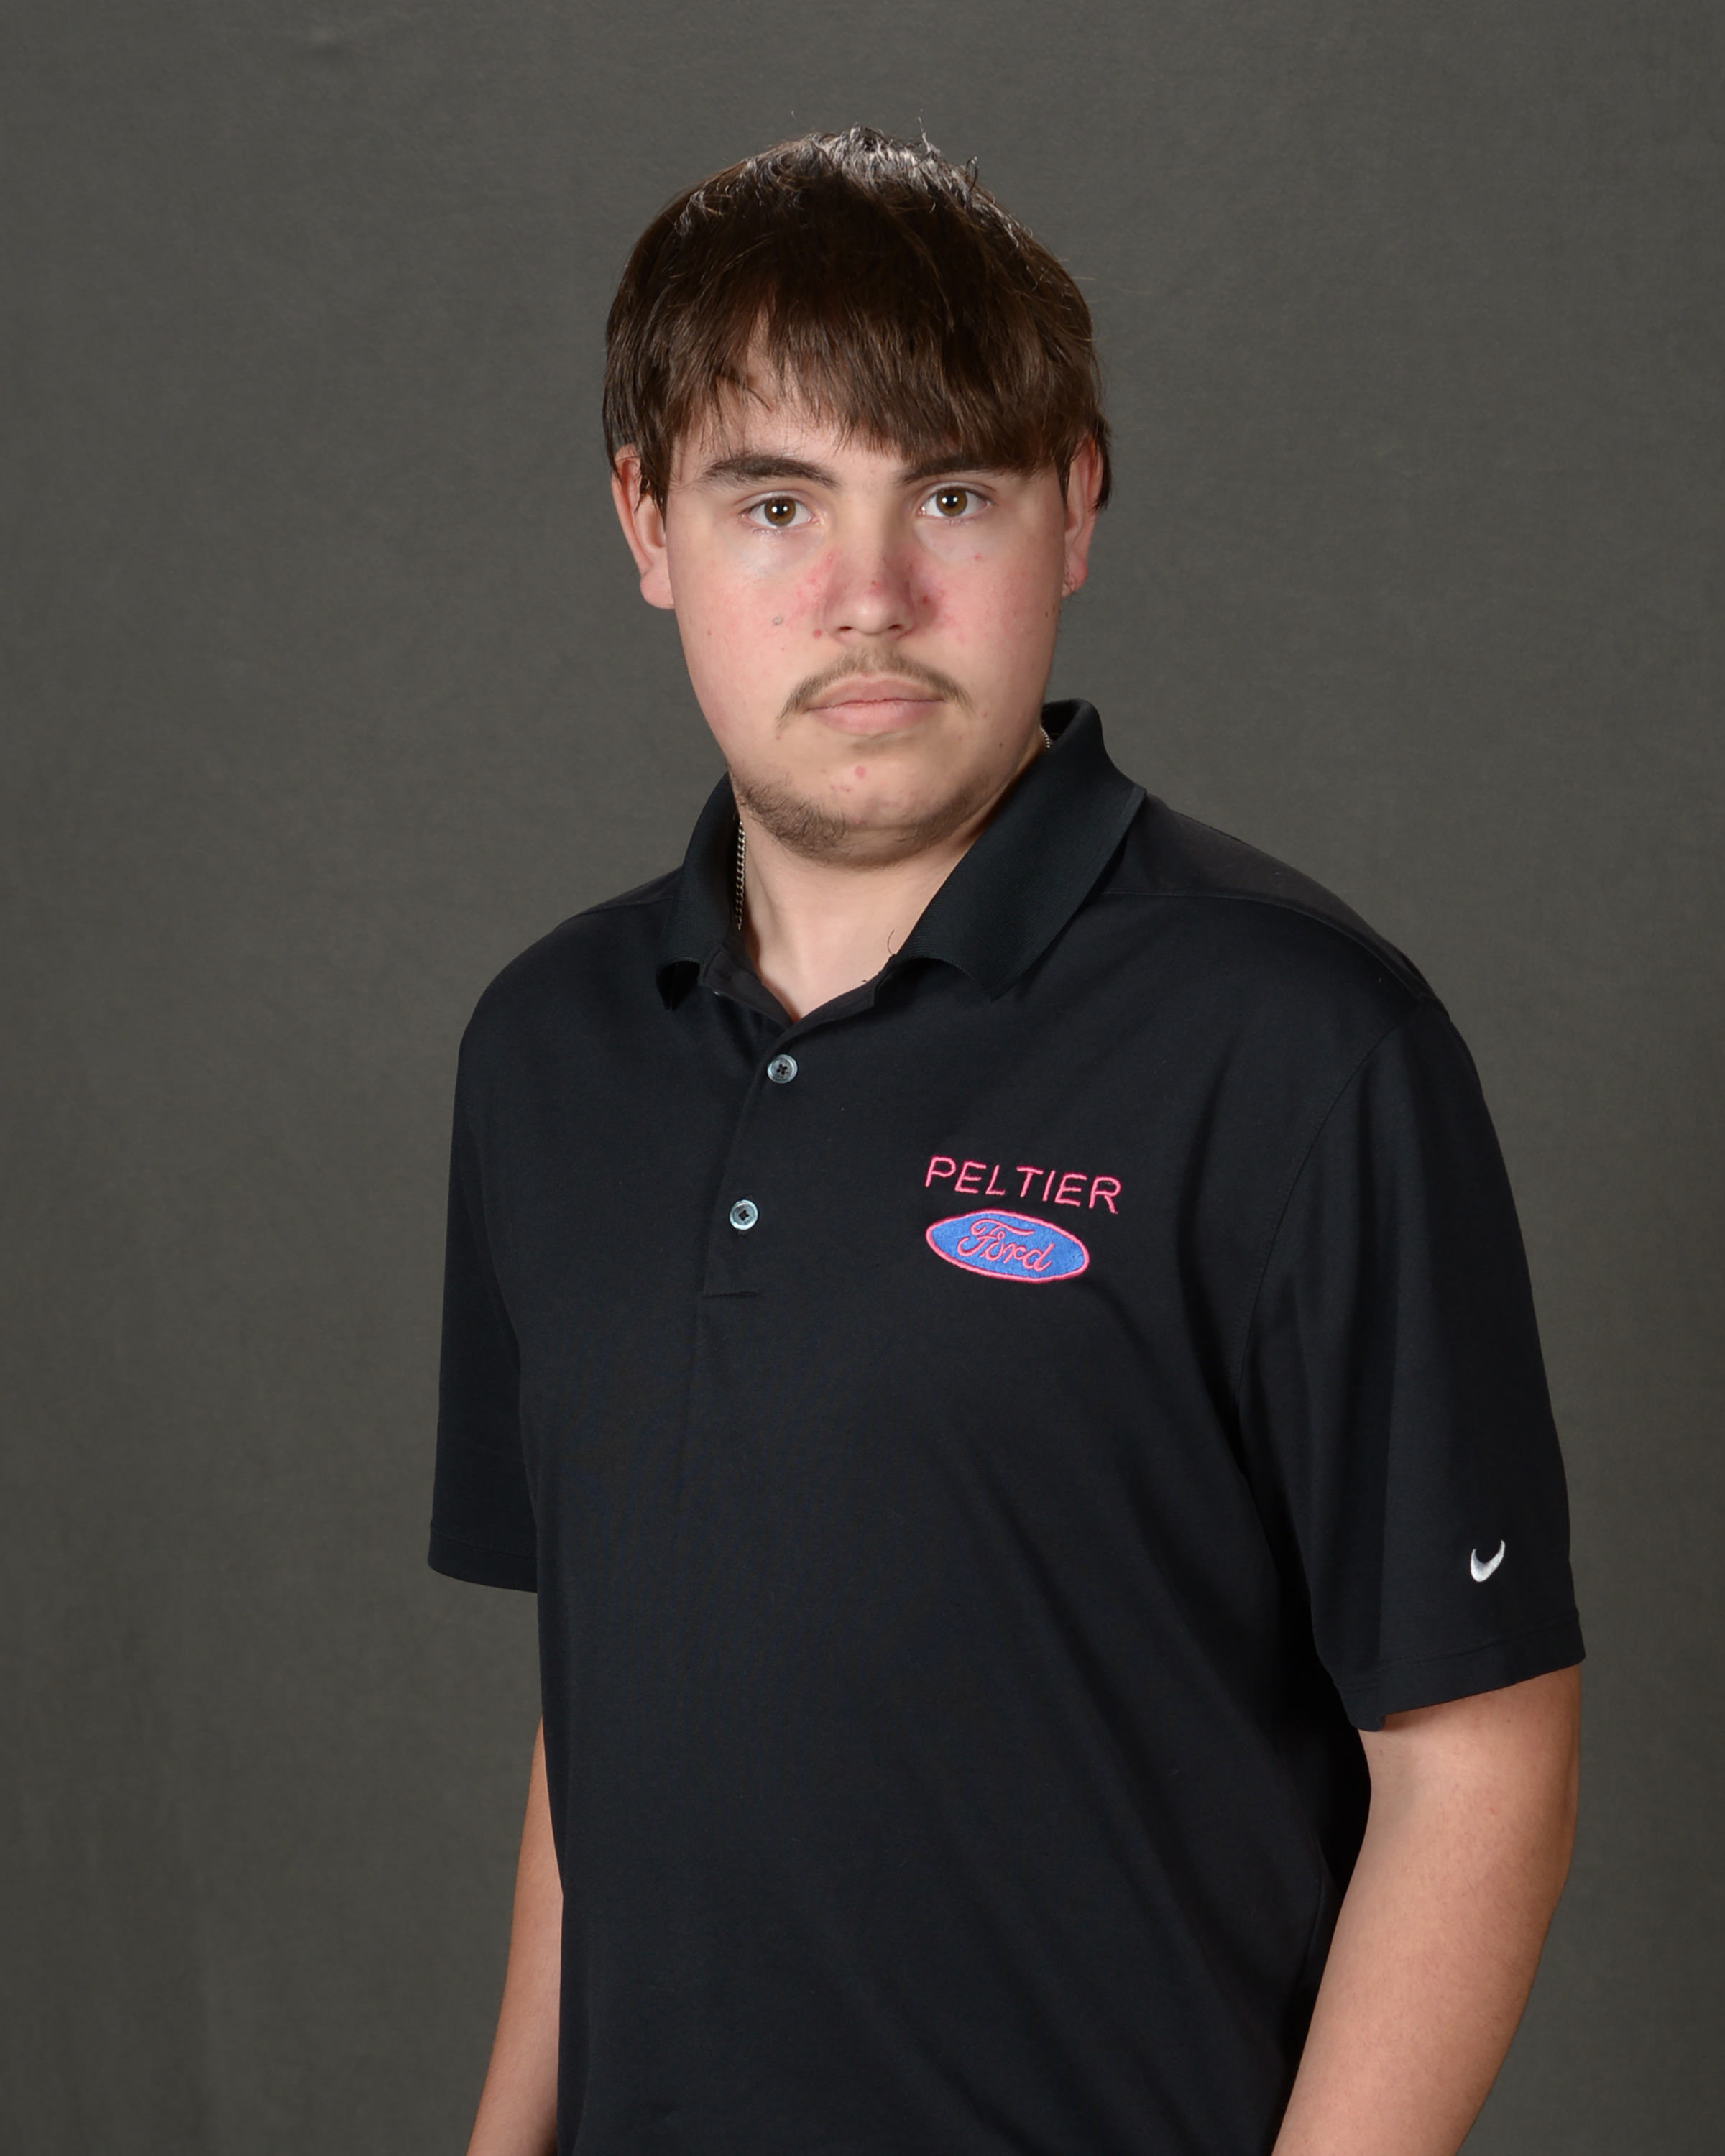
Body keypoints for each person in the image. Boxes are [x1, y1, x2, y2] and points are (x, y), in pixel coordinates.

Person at [429, 126, 1583, 2156]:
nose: (869, 597)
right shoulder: (546, 1055)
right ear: (644, 522)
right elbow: (597, 1714)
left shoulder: (1300, 1043)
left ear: (1077, 507)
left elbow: (1476, 1758)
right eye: (774, 504)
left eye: (951, 494)